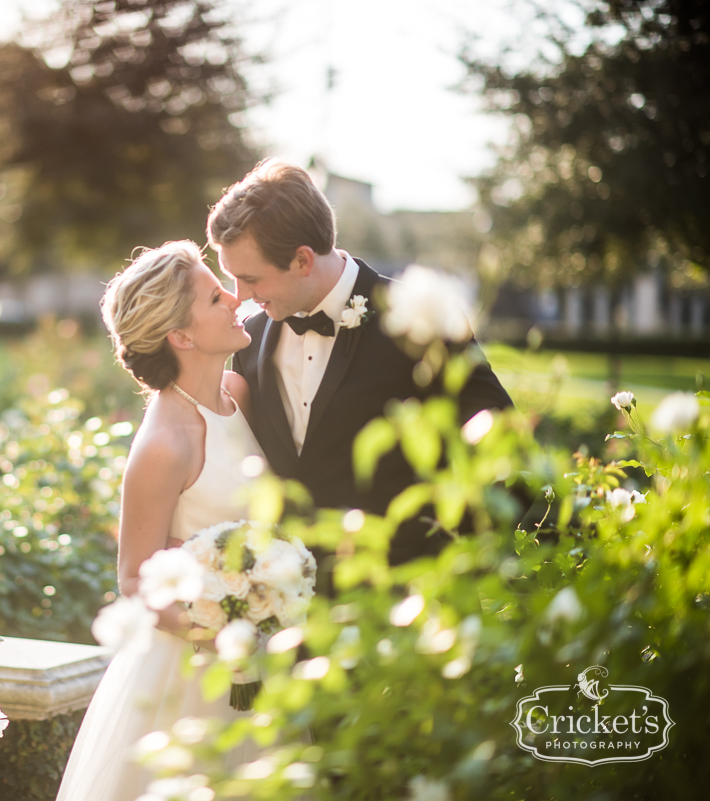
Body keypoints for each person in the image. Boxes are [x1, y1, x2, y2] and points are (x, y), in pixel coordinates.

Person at [208, 159, 513, 574]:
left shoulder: (418, 318)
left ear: (302, 260)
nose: (239, 296)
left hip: (408, 597)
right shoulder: (249, 340)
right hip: (292, 602)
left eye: (250, 278)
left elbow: (498, 436)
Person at [56, 240, 262, 801]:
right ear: (182, 336)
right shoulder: (164, 442)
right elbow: (133, 582)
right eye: (217, 296)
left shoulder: (238, 394)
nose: (235, 297)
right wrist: (225, 633)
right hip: (192, 674)